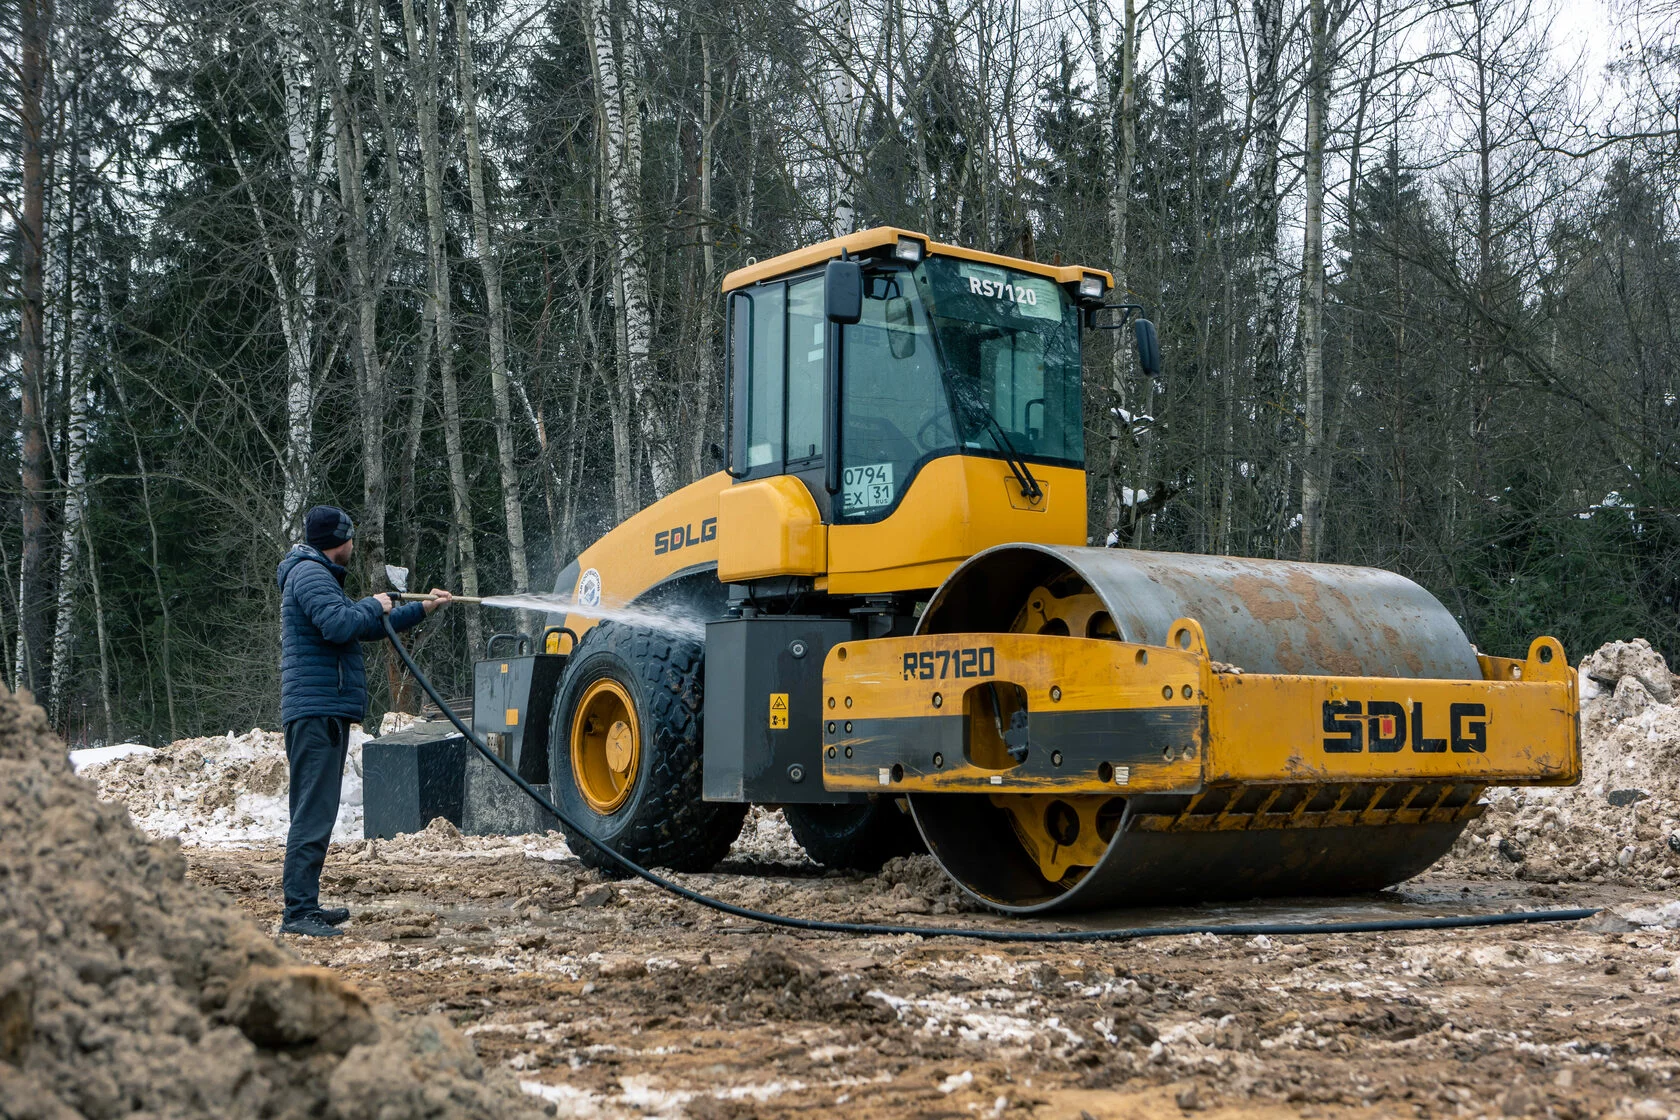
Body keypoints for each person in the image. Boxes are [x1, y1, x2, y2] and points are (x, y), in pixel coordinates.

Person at [275, 505, 453, 937]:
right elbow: (340, 625)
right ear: (339, 540)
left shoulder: (318, 575)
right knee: (312, 814)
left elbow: (368, 627)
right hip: (316, 712)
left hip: (323, 710)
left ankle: (307, 905)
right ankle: (298, 913)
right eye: (351, 538)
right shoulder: (310, 574)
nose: (354, 546)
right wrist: (373, 603)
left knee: (317, 811)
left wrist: (423, 609)